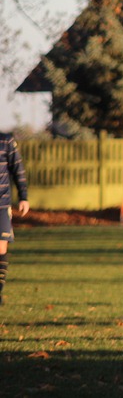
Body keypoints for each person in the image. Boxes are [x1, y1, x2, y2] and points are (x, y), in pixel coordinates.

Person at [0, 131, 29, 306]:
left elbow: (18, 169)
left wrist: (23, 196)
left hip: (1, 205)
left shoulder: (5, 141)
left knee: (1, 248)